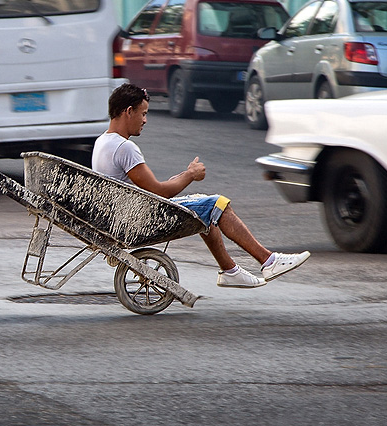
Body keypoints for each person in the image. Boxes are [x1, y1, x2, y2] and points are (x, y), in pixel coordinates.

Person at [93, 83, 309, 288]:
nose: (145, 120)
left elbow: (149, 187)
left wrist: (184, 175)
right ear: (128, 111)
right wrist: (190, 175)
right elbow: (159, 191)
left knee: (205, 210)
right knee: (219, 204)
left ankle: (230, 271)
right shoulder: (125, 148)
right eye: (143, 113)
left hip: (122, 216)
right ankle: (269, 261)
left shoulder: (103, 141)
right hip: (138, 219)